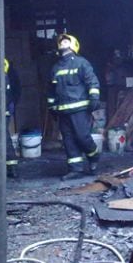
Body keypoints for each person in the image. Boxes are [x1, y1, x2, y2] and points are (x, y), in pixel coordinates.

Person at [48, 33, 101, 180]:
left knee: (82, 137)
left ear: (73, 44)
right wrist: (51, 106)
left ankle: (94, 155)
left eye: (66, 41)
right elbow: (51, 90)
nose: (63, 43)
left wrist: (94, 98)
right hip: (62, 111)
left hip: (79, 109)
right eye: (61, 41)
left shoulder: (81, 63)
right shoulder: (55, 68)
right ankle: (75, 169)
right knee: (68, 141)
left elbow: (92, 82)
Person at [5, 58, 21, 178]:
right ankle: (10, 166)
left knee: (4, 137)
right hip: (2, 108)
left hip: (4, 108)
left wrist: (11, 103)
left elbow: (16, 89)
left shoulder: (7, 69)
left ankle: (11, 168)